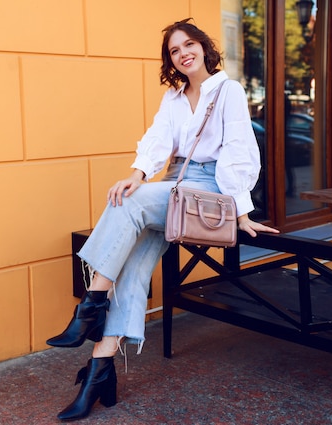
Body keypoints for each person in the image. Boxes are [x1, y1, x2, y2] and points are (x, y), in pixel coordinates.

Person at [46, 18, 279, 422]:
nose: (183, 53)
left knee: (127, 205)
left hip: (208, 185)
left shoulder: (228, 90)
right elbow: (157, 139)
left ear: (204, 48)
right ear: (170, 59)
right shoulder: (173, 97)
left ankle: (90, 307)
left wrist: (241, 211)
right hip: (174, 183)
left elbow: (239, 149)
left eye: (189, 44)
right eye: (174, 50)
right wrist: (137, 174)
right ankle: (100, 373)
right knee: (132, 271)